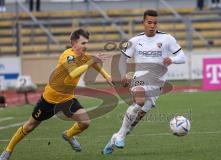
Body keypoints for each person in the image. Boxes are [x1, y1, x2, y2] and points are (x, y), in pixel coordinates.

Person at [0, 28, 113, 160]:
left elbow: (95, 64)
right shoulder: (68, 56)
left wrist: (107, 76)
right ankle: (8, 150)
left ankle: (68, 135)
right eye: (83, 43)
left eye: (86, 43)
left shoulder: (83, 57)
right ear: (74, 44)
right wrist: (91, 62)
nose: (86, 46)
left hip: (67, 100)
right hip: (49, 100)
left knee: (85, 122)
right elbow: (73, 73)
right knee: (30, 126)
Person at [102, 9, 186, 155]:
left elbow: (182, 57)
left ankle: (115, 138)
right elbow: (123, 59)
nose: (152, 25)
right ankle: (121, 136)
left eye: (155, 23)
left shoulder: (167, 39)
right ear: (143, 23)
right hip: (140, 77)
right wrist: (123, 74)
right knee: (139, 101)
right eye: (149, 22)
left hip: (157, 83)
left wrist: (171, 59)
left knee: (133, 124)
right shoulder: (135, 41)